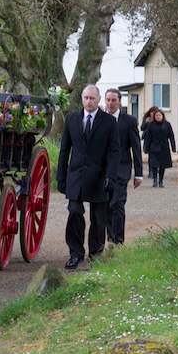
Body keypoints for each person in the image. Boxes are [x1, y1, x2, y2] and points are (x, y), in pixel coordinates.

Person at [56, 85, 120, 270]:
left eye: (92, 98)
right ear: (82, 99)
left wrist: (111, 177)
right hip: (76, 176)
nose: (89, 101)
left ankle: (95, 255)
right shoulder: (71, 119)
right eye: (86, 98)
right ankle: (76, 254)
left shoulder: (109, 122)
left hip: (99, 177)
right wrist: (61, 177)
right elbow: (64, 150)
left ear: (99, 99)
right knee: (75, 213)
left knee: (98, 219)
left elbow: (115, 152)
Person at [103, 89, 143, 245]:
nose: (110, 103)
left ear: (120, 102)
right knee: (105, 204)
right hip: (104, 170)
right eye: (108, 100)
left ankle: (118, 241)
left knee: (117, 202)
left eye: (113, 100)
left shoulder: (129, 121)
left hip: (121, 169)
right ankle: (109, 236)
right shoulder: (100, 119)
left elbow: (136, 148)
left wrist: (138, 174)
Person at [144, 110, 176, 188]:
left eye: (159, 115)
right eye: (156, 115)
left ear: (162, 116)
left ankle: (161, 181)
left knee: (162, 165)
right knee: (154, 164)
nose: (158, 117)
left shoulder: (167, 124)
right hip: (154, 146)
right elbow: (148, 137)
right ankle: (155, 179)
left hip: (164, 146)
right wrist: (146, 148)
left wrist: (173, 147)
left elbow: (171, 136)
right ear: (154, 117)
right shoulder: (151, 125)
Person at [140, 106, 160, 179]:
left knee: (157, 155)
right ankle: (150, 170)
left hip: (156, 139)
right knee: (151, 156)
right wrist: (146, 122)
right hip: (148, 139)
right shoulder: (146, 119)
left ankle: (156, 168)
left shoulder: (158, 119)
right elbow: (142, 128)